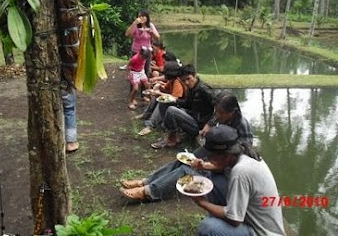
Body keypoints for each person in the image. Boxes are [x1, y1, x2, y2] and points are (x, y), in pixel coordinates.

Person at [121, 125, 285, 236]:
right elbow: (222, 168)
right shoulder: (242, 155)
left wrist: (201, 203)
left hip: (261, 231)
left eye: (211, 155)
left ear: (225, 154)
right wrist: (204, 166)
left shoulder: (241, 171)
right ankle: (146, 186)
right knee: (206, 176)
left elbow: (235, 220)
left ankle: (147, 191)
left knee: (208, 227)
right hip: (249, 216)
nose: (209, 157)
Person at [121, 92, 253, 200]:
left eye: (221, 113)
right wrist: (209, 125)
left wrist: (207, 165)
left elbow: (243, 156)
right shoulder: (224, 116)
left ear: (234, 111)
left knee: (186, 170)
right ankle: (146, 181)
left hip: (227, 170)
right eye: (217, 112)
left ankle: (149, 192)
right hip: (216, 155)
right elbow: (215, 117)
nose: (218, 115)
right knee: (185, 159)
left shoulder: (242, 125)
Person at [151, 64, 216, 149]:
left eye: (188, 79)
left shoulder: (204, 89)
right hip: (192, 116)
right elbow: (187, 104)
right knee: (165, 102)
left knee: (171, 110)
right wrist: (173, 100)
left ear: (194, 75)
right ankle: (173, 133)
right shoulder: (191, 88)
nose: (187, 83)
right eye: (184, 80)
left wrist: (210, 124)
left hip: (199, 125)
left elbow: (220, 107)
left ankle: (172, 138)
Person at [138, 61, 186, 136]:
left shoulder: (177, 83)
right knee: (156, 96)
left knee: (161, 100)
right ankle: (147, 114)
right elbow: (165, 88)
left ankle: (151, 125)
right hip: (173, 101)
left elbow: (175, 98)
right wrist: (159, 85)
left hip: (179, 106)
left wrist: (159, 93)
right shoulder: (171, 81)